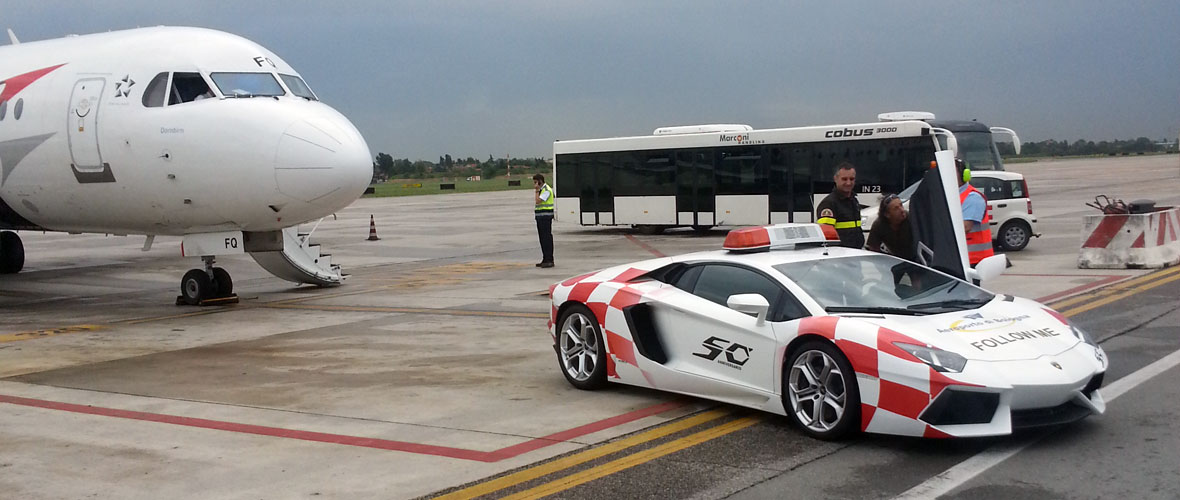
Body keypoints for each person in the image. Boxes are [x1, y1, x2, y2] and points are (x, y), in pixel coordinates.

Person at [815, 162, 865, 249]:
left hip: (856, 252)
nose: (848, 183)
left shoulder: (853, 200)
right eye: (844, 179)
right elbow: (827, 235)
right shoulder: (828, 204)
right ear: (835, 179)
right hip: (841, 255)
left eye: (852, 179)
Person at [956, 158, 994, 265]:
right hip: (961, 259)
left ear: (965, 176)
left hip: (974, 260)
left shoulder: (972, 197)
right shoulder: (953, 196)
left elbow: (965, 227)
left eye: (952, 173)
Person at [866, 193, 917, 262]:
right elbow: (873, 249)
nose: (902, 210)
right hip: (894, 261)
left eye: (901, 205)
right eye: (896, 208)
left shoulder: (911, 219)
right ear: (887, 214)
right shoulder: (879, 225)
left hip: (916, 260)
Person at [533, 173, 555, 268]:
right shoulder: (542, 190)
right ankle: (545, 258)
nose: (534, 185)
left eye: (535, 182)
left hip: (545, 217)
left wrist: (537, 191)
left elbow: (538, 201)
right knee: (542, 239)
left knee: (546, 238)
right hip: (540, 217)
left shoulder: (546, 190)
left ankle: (549, 259)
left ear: (540, 181)